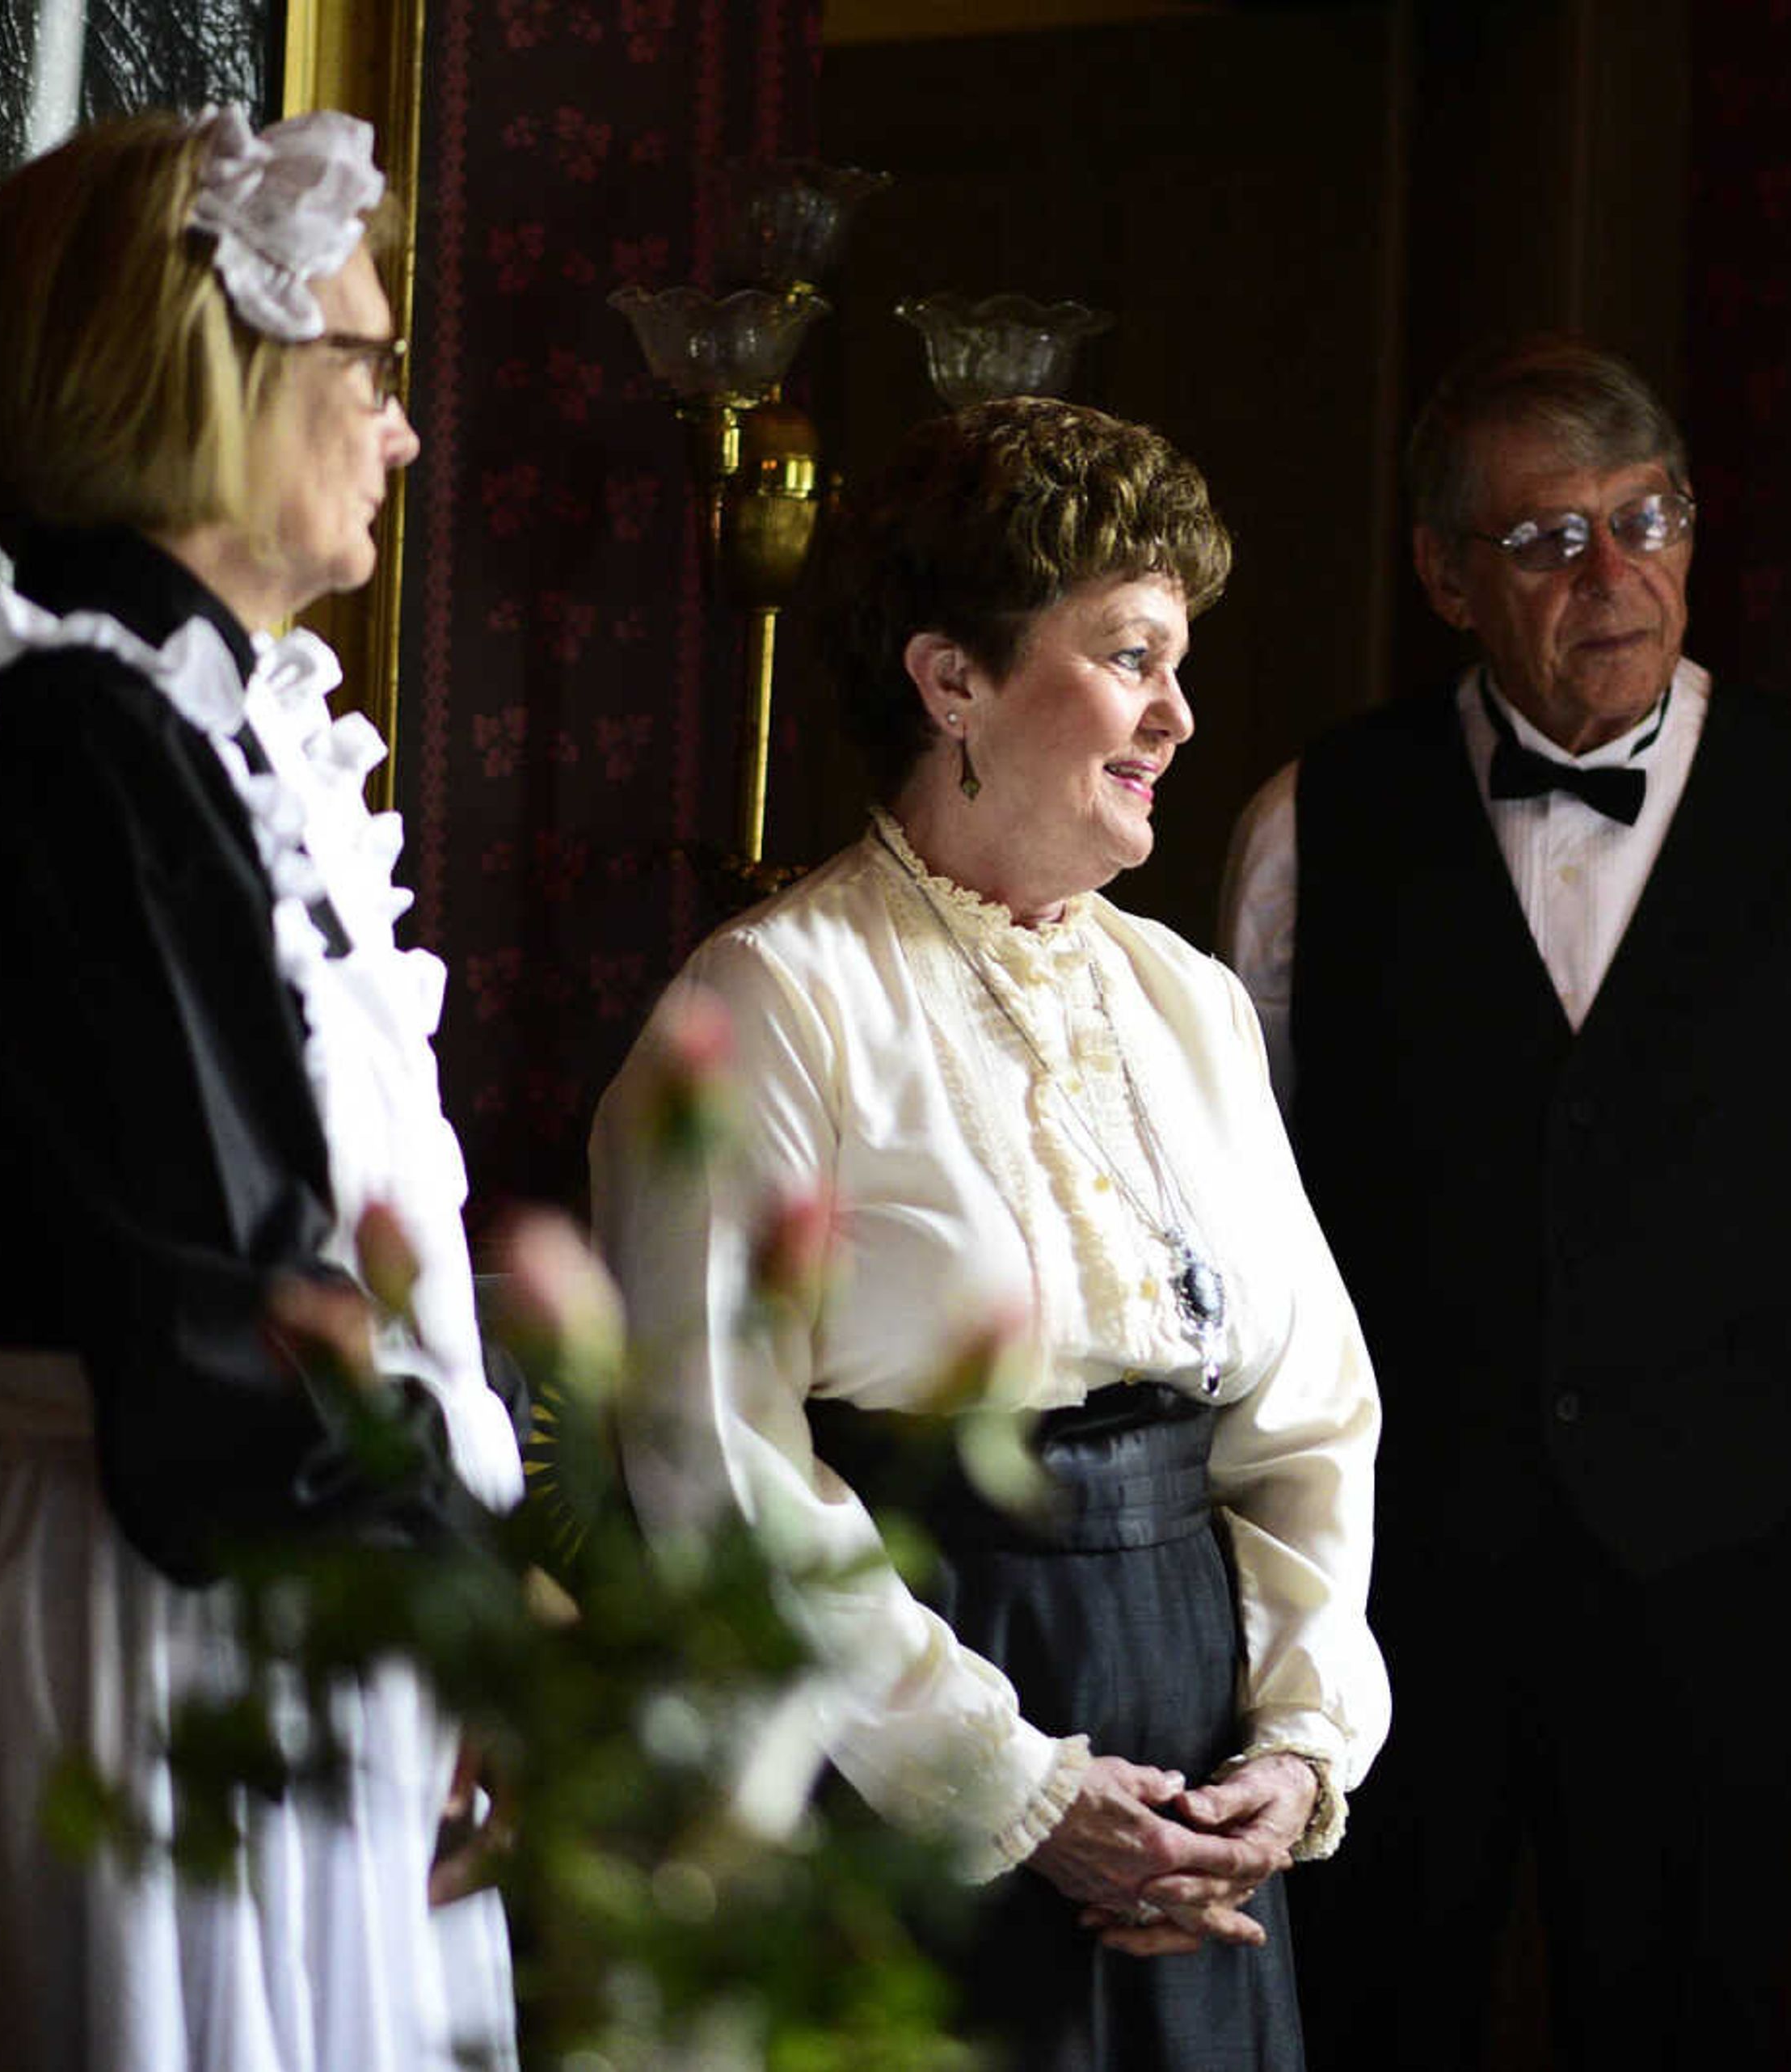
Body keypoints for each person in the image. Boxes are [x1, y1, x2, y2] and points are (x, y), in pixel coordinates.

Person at [0, 109, 525, 2069]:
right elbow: (223, 1335)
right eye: (366, 364)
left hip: (258, 1608)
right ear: (216, 368)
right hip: (150, 1631)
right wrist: (488, 1628)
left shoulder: (194, 733)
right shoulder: (79, 751)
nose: (402, 426)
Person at [590, 397, 1387, 2071]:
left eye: (1181, 658)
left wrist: (1299, 1752)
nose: (1178, 711)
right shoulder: (764, 1007)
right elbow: (711, 1463)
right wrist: (1011, 1789)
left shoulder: (1194, 1003)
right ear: (952, 679)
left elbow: (1311, 1418)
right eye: (1130, 656)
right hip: (893, 1765)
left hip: (1197, 1771)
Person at [1220, 335, 1791, 2068]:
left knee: (1690, 2017)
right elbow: (1259, 1217)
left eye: (1648, 519)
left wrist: (1712, 1417)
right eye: (1549, 541)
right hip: (1404, 1574)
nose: (1615, 576)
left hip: (1712, 1573)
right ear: (1447, 575)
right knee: (1381, 2006)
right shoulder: (1316, 819)